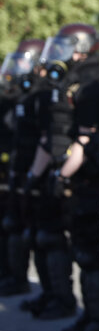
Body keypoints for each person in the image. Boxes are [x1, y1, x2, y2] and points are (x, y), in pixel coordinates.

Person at [27, 23, 99, 331]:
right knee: (72, 246)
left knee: (87, 251)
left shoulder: (94, 86)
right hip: (72, 175)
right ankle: (87, 314)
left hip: (88, 178)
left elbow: (84, 141)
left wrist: (61, 176)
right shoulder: (71, 82)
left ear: (81, 49)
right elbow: (53, 135)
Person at [0, 38, 45, 297]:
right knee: (9, 224)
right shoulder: (17, 97)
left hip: (32, 170)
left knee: (37, 233)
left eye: (22, 63)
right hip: (16, 168)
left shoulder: (41, 96)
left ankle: (22, 280)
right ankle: (10, 274)